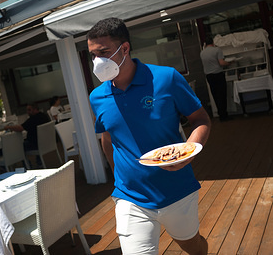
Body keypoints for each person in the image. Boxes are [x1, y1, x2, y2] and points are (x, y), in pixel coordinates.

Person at [88, 17, 211, 255]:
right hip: (130, 197)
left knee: (193, 245)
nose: (97, 61)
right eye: (92, 55)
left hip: (177, 189)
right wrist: (120, 178)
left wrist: (189, 153)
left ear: (125, 48)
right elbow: (108, 140)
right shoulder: (97, 97)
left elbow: (201, 120)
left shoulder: (167, 78)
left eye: (103, 53)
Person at [200, 36, 231, 121]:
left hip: (209, 76)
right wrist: (229, 63)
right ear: (213, 43)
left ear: (205, 44)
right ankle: (224, 115)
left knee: (215, 95)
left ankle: (220, 114)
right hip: (218, 74)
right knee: (222, 95)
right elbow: (221, 63)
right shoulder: (217, 50)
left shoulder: (202, 53)